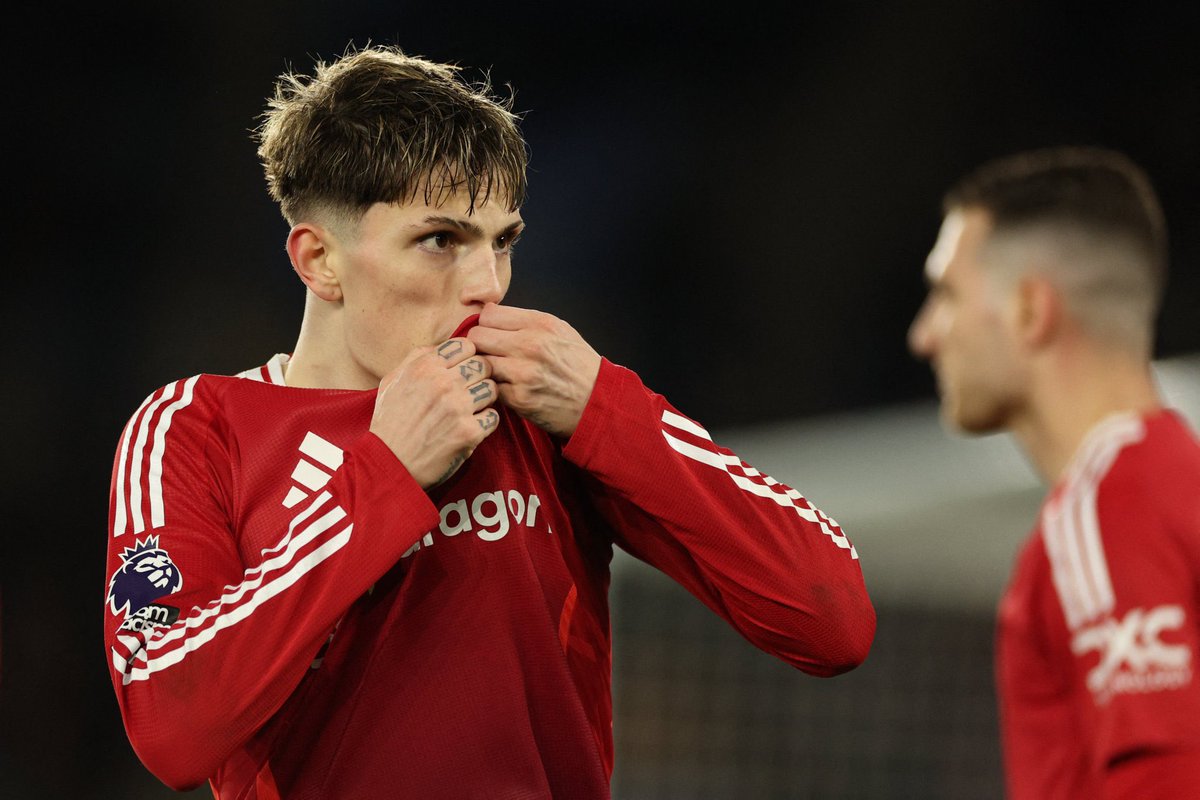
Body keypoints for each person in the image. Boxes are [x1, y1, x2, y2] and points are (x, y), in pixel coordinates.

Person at [102, 43, 875, 799]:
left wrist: (607, 405)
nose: (488, 284)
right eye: (440, 240)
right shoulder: (197, 427)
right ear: (318, 260)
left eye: (502, 242)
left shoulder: (544, 410)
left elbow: (832, 622)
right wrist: (383, 477)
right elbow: (172, 725)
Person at [908, 146, 1200, 798]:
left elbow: (1165, 783)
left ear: (1031, 312)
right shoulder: (1177, 484)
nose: (923, 335)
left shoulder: (1105, 511)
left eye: (947, 295)